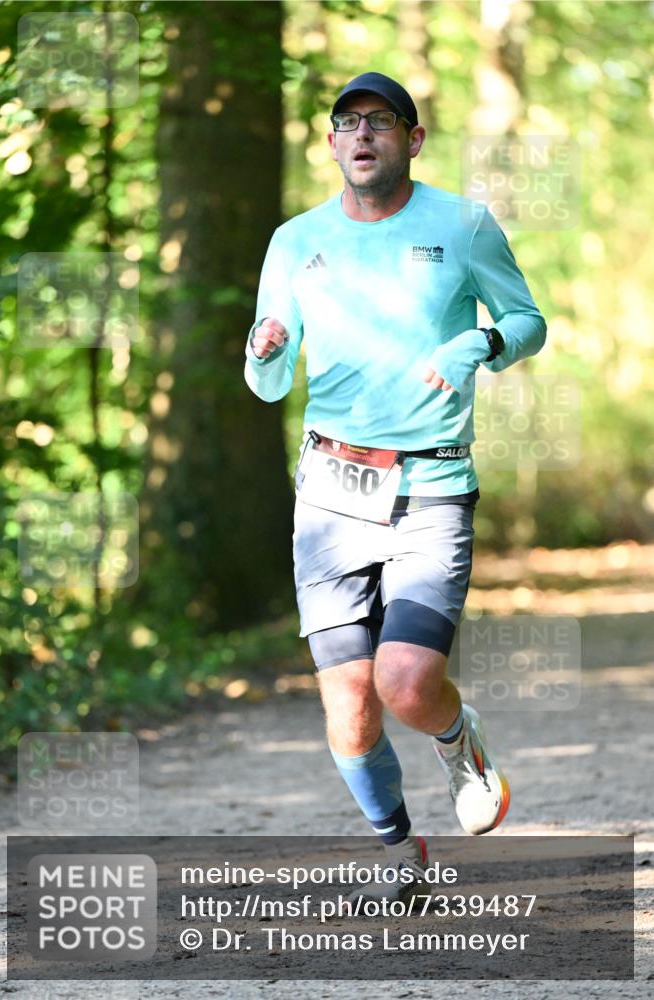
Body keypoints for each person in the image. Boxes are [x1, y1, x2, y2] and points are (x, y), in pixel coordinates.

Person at [244, 72, 546, 905]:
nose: (363, 134)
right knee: (349, 703)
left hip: (430, 483)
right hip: (330, 492)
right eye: (347, 123)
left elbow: (527, 321)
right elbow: (266, 380)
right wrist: (265, 346)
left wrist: (477, 344)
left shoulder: (462, 224)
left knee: (405, 683)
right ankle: (399, 849)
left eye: (381, 121)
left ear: (412, 140)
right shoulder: (294, 241)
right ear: (331, 143)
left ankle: (457, 739)